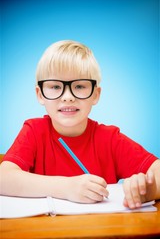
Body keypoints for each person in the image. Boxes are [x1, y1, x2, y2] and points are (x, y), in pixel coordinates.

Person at [0, 40, 160, 209]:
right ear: (40, 94)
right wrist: (66, 187)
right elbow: (3, 178)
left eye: (79, 86)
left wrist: (149, 190)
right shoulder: (34, 131)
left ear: (95, 95)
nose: (68, 96)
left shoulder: (110, 139)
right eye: (55, 86)